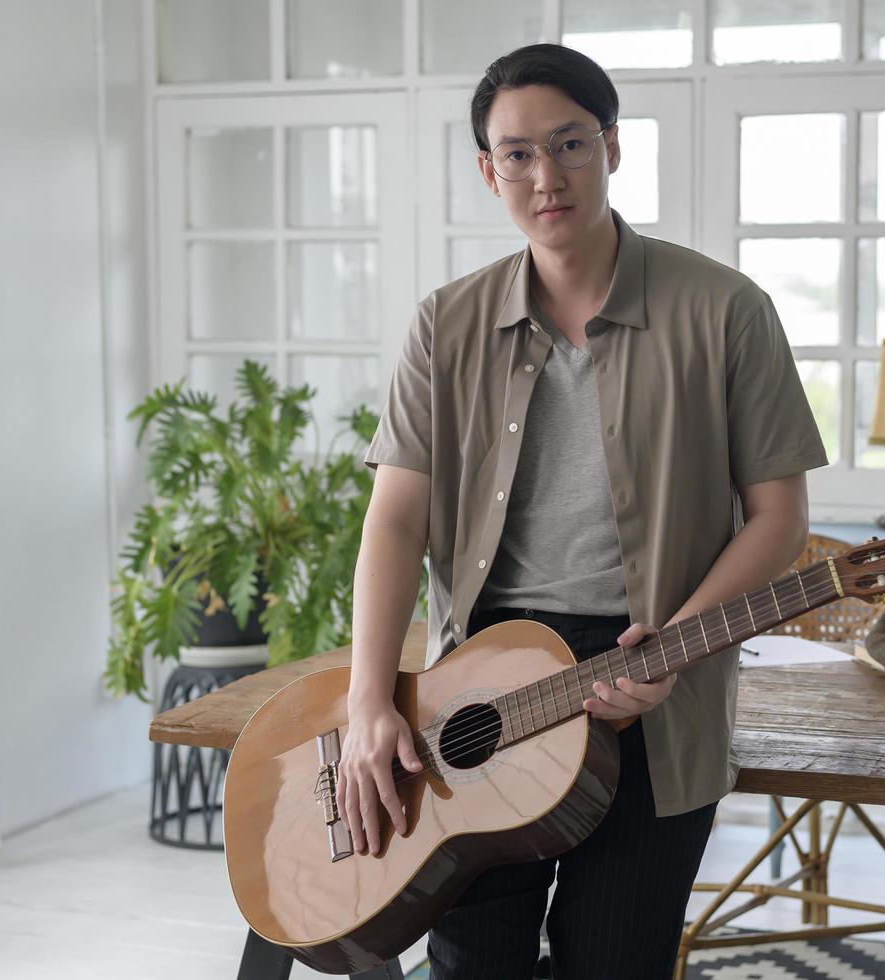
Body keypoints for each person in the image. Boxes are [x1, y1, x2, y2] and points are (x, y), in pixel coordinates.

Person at [338, 42, 828, 980]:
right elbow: (394, 522)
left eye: (568, 144)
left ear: (611, 147)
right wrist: (369, 702)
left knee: (615, 961)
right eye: (516, 154)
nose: (544, 175)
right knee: (471, 964)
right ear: (488, 171)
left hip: (651, 676)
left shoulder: (725, 310)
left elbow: (778, 516)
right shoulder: (444, 325)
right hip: (475, 690)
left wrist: (674, 646)